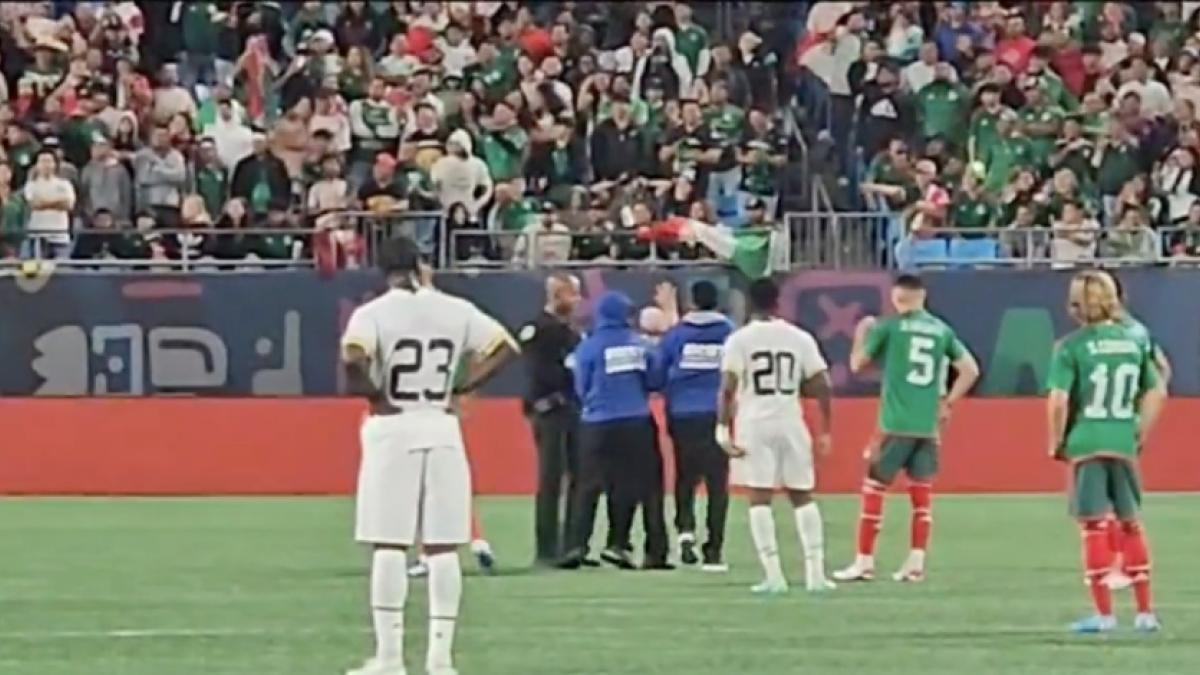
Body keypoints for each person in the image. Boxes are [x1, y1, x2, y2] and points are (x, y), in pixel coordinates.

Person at [340, 236, 519, 675]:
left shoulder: (374, 313)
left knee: (389, 543)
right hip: (441, 422)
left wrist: (376, 396)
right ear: (421, 265)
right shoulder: (453, 308)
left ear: (384, 272)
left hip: (393, 426)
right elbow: (505, 348)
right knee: (442, 546)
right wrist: (463, 387)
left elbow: (352, 357)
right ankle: (441, 658)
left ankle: (389, 657)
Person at [834, 274, 980, 584]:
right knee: (921, 495)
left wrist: (861, 334)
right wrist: (948, 402)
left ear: (896, 298)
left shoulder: (889, 326)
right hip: (928, 425)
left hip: (895, 423)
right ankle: (915, 562)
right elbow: (970, 369)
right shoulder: (941, 330)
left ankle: (864, 561)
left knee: (874, 489)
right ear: (922, 298)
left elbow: (858, 365)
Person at [1045, 270, 1165, 634]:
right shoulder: (1134, 341)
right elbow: (1157, 389)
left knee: (1094, 526)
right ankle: (1145, 613)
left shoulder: (1071, 347)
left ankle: (1104, 615)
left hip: (1087, 440)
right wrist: (1139, 431)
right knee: (1131, 523)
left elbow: (1059, 399)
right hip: (1122, 440)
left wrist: (1055, 440)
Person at [716, 277, 835, 594]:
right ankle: (816, 573)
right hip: (790, 420)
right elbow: (822, 384)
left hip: (754, 422)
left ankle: (774, 575)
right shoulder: (798, 337)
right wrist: (825, 428)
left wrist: (721, 428)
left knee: (759, 496)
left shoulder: (739, 340)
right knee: (802, 494)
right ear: (778, 302)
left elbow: (728, 387)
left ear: (748, 304)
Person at [564, 290, 671, 570]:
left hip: (596, 423)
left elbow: (581, 386)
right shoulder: (641, 345)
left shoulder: (588, 346)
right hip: (635, 420)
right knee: (633, 485)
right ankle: (618, 544)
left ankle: (577, 544)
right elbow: (656, 380)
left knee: (587, 485)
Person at [658, 280, 733, 570]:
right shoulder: (728, 333)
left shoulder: (676, 336)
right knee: (717, 483)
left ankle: (685, 534)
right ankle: (714, 547)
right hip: (717, 414)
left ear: (692, 302)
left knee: (685, 476)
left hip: (682, 414)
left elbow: (659, 371)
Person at [518, 273, 583, 566]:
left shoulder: (569, 331)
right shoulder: (539, 329)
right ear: (557, 295)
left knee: (579, 478)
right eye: (572, 295)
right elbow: (541, 371)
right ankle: (547, 549)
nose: (577, 301)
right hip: (550, 409)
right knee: (551, 478)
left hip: (572, 409)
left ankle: (572, 545)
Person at [23, 149, 76, 259]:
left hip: (60, 235)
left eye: (49, 161)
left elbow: (68, 205)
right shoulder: (31, 185)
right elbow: (35, 204)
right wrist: (58, 202)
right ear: (36, 165)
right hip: (38, 235)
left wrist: (45, 203)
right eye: (42, 161)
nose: (46, 165)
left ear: (55, 164)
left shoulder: (65, 184)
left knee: (62, 271)